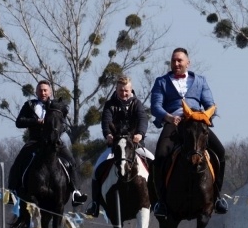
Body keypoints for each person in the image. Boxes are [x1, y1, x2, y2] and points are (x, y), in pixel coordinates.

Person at [150, 47, 227, 217]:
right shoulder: (161, 81)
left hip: (196, 122)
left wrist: (206, 114)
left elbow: (209, 103)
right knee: (160, 155)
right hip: (174, 122)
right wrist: (168, 117)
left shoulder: (200, 80)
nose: (176, 64)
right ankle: (161, 201)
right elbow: (155, 106)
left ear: (188, 63)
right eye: (173, 61)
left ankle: (217, 197)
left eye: (179, 60)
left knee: (220, 152)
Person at [8, 80, 87, 206]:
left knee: (71, 161)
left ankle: (75, 193)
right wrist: (36, 121)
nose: (43, 92)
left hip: (54, 142)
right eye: (40, 90)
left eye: (45, 90)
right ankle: (12, 192)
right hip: (35, 141)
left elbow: (63, 124)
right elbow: (19, 122)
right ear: (36, 92)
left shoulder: (57, 105)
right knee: (18, 162)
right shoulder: (29, 105)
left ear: (50, 92)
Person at [86, 76, 152, 217]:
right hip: (115, 146)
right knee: (97, 168)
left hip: (135, 145)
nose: (124, 93)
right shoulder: (110, 104)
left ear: (130, 89)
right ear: (116, 89)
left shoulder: (137, 104)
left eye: (126, 90)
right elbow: (106, 121)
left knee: (154, 162)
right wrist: (108, 134)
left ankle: (158, 201)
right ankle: (95, 204)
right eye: (121, 90)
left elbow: (142, 119)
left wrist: (140, 134)